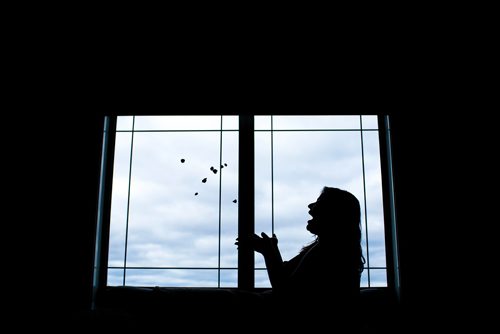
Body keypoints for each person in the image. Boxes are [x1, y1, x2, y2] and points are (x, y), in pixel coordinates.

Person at [236, 186, 365, 318]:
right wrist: (272, 250)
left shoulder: (328, 251)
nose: (310, 206)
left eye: (319, 202)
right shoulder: (332, 248)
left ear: (332, 213)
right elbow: (286, 274)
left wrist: (268, 251)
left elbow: (285, 294)